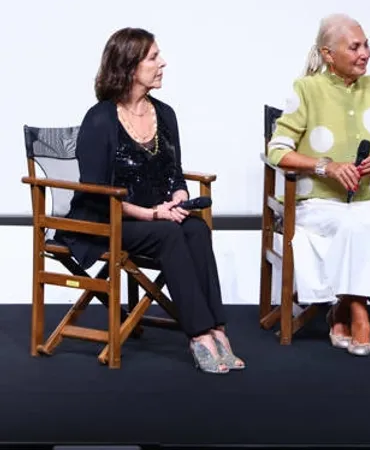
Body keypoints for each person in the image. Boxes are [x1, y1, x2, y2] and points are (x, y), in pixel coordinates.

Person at [58, 28, 243, 374]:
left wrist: (180, 198)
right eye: (154, 58)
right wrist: (149, 214)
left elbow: (174, 173)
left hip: (158, 215)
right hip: (106, 220)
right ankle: (199, 335)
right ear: (129, 66)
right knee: (170, 235)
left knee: (196, 229)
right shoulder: (99, 119)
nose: (163, 63)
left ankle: (217, 328)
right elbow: (96, 191)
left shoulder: (166, 114)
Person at [266, 14, 370, 357]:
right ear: (328, 54)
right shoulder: (307, 90)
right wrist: (325, 167)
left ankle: (340, 309)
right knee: (349, 225)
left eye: (366, 44)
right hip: (319, 202)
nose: (365, 53)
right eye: (354, 46)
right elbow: (277, 150)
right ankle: (359, 313)